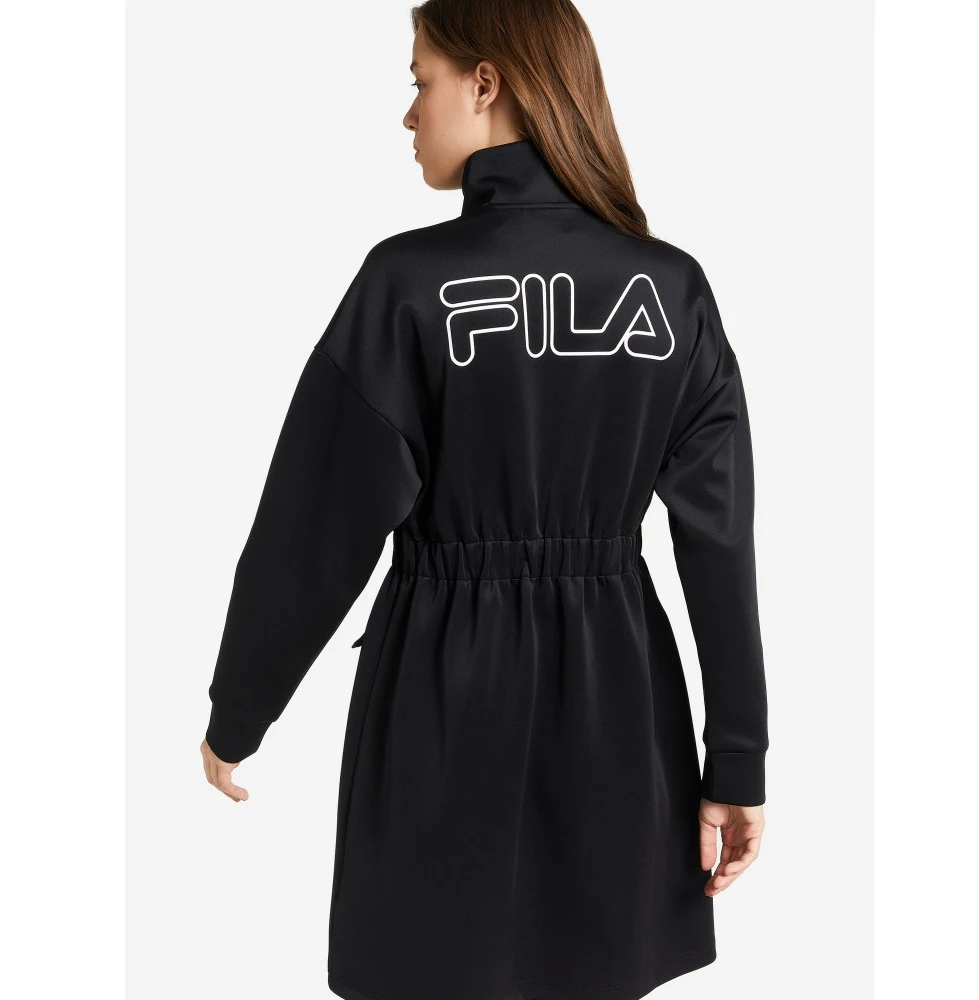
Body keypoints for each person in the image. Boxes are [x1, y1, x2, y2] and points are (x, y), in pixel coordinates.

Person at [201, 1, 769, 998]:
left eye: (419, 80)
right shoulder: (670, 289)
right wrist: (736, 760)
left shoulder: (406, 283)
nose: (408, 113)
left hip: (442, 691)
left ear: (486, 81)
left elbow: (314, 525)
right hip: (621, 698)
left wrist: (238, 708)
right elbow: (718, 541)